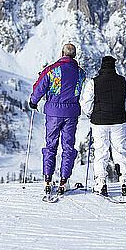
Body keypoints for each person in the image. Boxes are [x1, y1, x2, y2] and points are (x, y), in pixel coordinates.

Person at [30, 43, 86, 195]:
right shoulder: (81, 73)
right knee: (68, 146)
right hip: (71, 113)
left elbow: (39, 87)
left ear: (62, 53)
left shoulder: (51, 70)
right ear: (74, 55)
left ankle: (48, 180)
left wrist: (33, 101)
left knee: (51, 145)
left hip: (53, 112)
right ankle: (64, 181)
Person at [80, 55, 126, 197]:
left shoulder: (93, 82)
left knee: (101, 151)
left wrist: (92, 114)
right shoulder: (124, 81)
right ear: (114, 66)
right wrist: (122, 109)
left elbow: (86, 103)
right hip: (119, 120)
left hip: (99, 122)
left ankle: (101, 183)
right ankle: (124, 180)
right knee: (120, 150)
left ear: (102, 66)